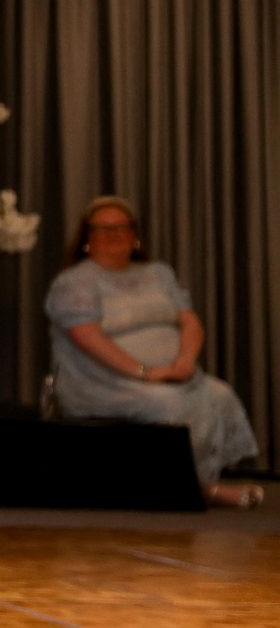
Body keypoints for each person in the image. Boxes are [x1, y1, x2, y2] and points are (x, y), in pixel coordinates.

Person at [44, 194, 262, 509]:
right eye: (103, 228)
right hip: (104, 382)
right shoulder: (75, 281)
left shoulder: (159, 273)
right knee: (170, 404)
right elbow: (87, 337)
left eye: (122, 227)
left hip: (175, 375)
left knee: (218, 394)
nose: (114, 234)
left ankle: (199, 482)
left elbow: (190, 321)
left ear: (135, 235)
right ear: (87, 238)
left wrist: (184, 361)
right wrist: (146, 372)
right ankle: (197, 488)